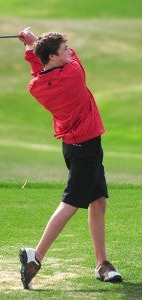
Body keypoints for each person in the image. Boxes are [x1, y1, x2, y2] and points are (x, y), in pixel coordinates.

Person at [18, 27, 122, 290]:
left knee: (98, 201)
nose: (69, 51)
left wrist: (32, 49)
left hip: (73, 147)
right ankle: (36, 257)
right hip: (86, 148)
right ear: (53, 56)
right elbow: (71, 59)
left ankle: (102, 264)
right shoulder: (74, 74)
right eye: (64, 49)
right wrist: (34, 43)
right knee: (70, 204)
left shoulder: (36, 86)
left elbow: (39, 70)